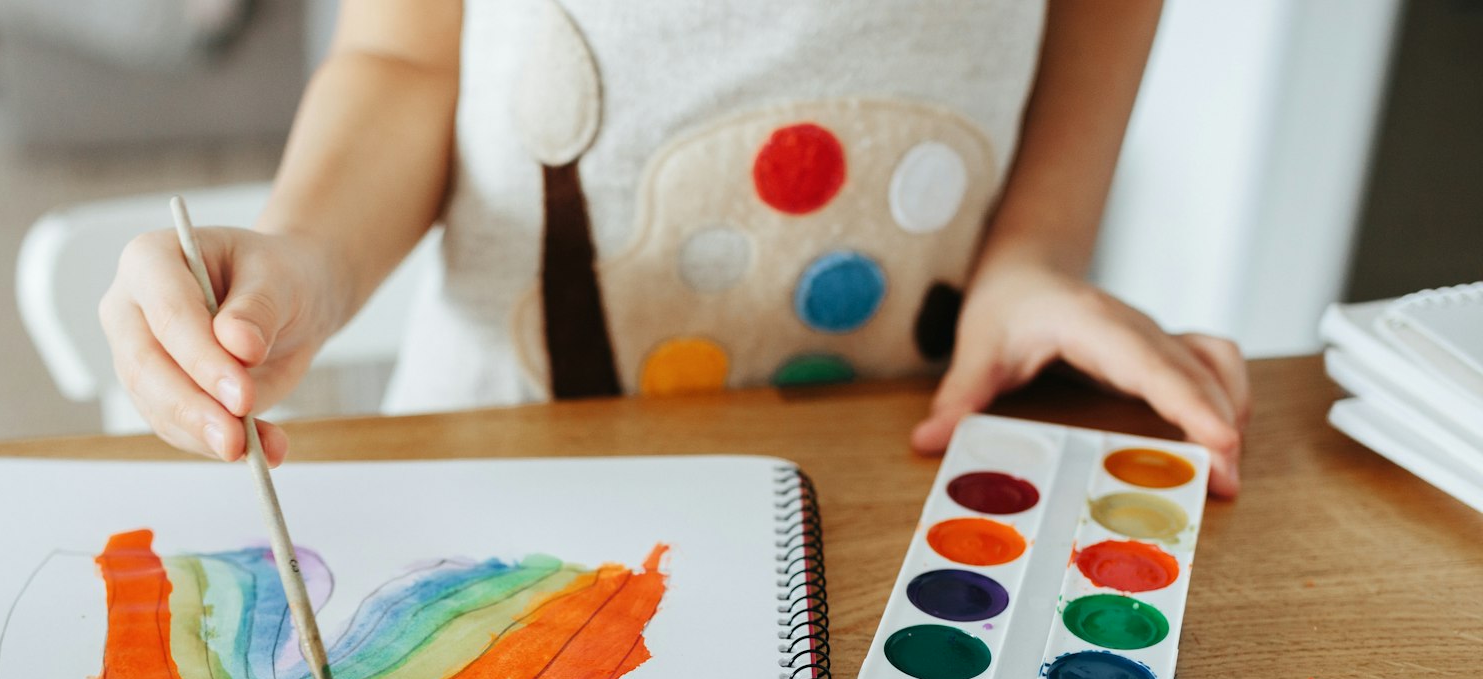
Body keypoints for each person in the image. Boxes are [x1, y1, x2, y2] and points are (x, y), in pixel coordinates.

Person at [100, 0, 1248, 494]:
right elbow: (405, 59)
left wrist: (1033, 253)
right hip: (510, 470)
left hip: (902, 467)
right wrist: (305, 252)